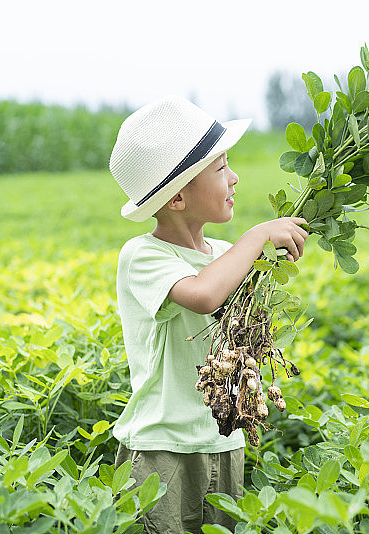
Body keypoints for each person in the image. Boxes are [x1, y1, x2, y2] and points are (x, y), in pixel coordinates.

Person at [108, 95, 308, 533]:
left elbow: (240, 324)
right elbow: (203, 295)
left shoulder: (222, 254)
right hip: (162, 450)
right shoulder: (142, 255)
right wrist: (256, 237)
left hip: (224, 440)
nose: (234, 178)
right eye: (220, 169)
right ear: (178, 198)